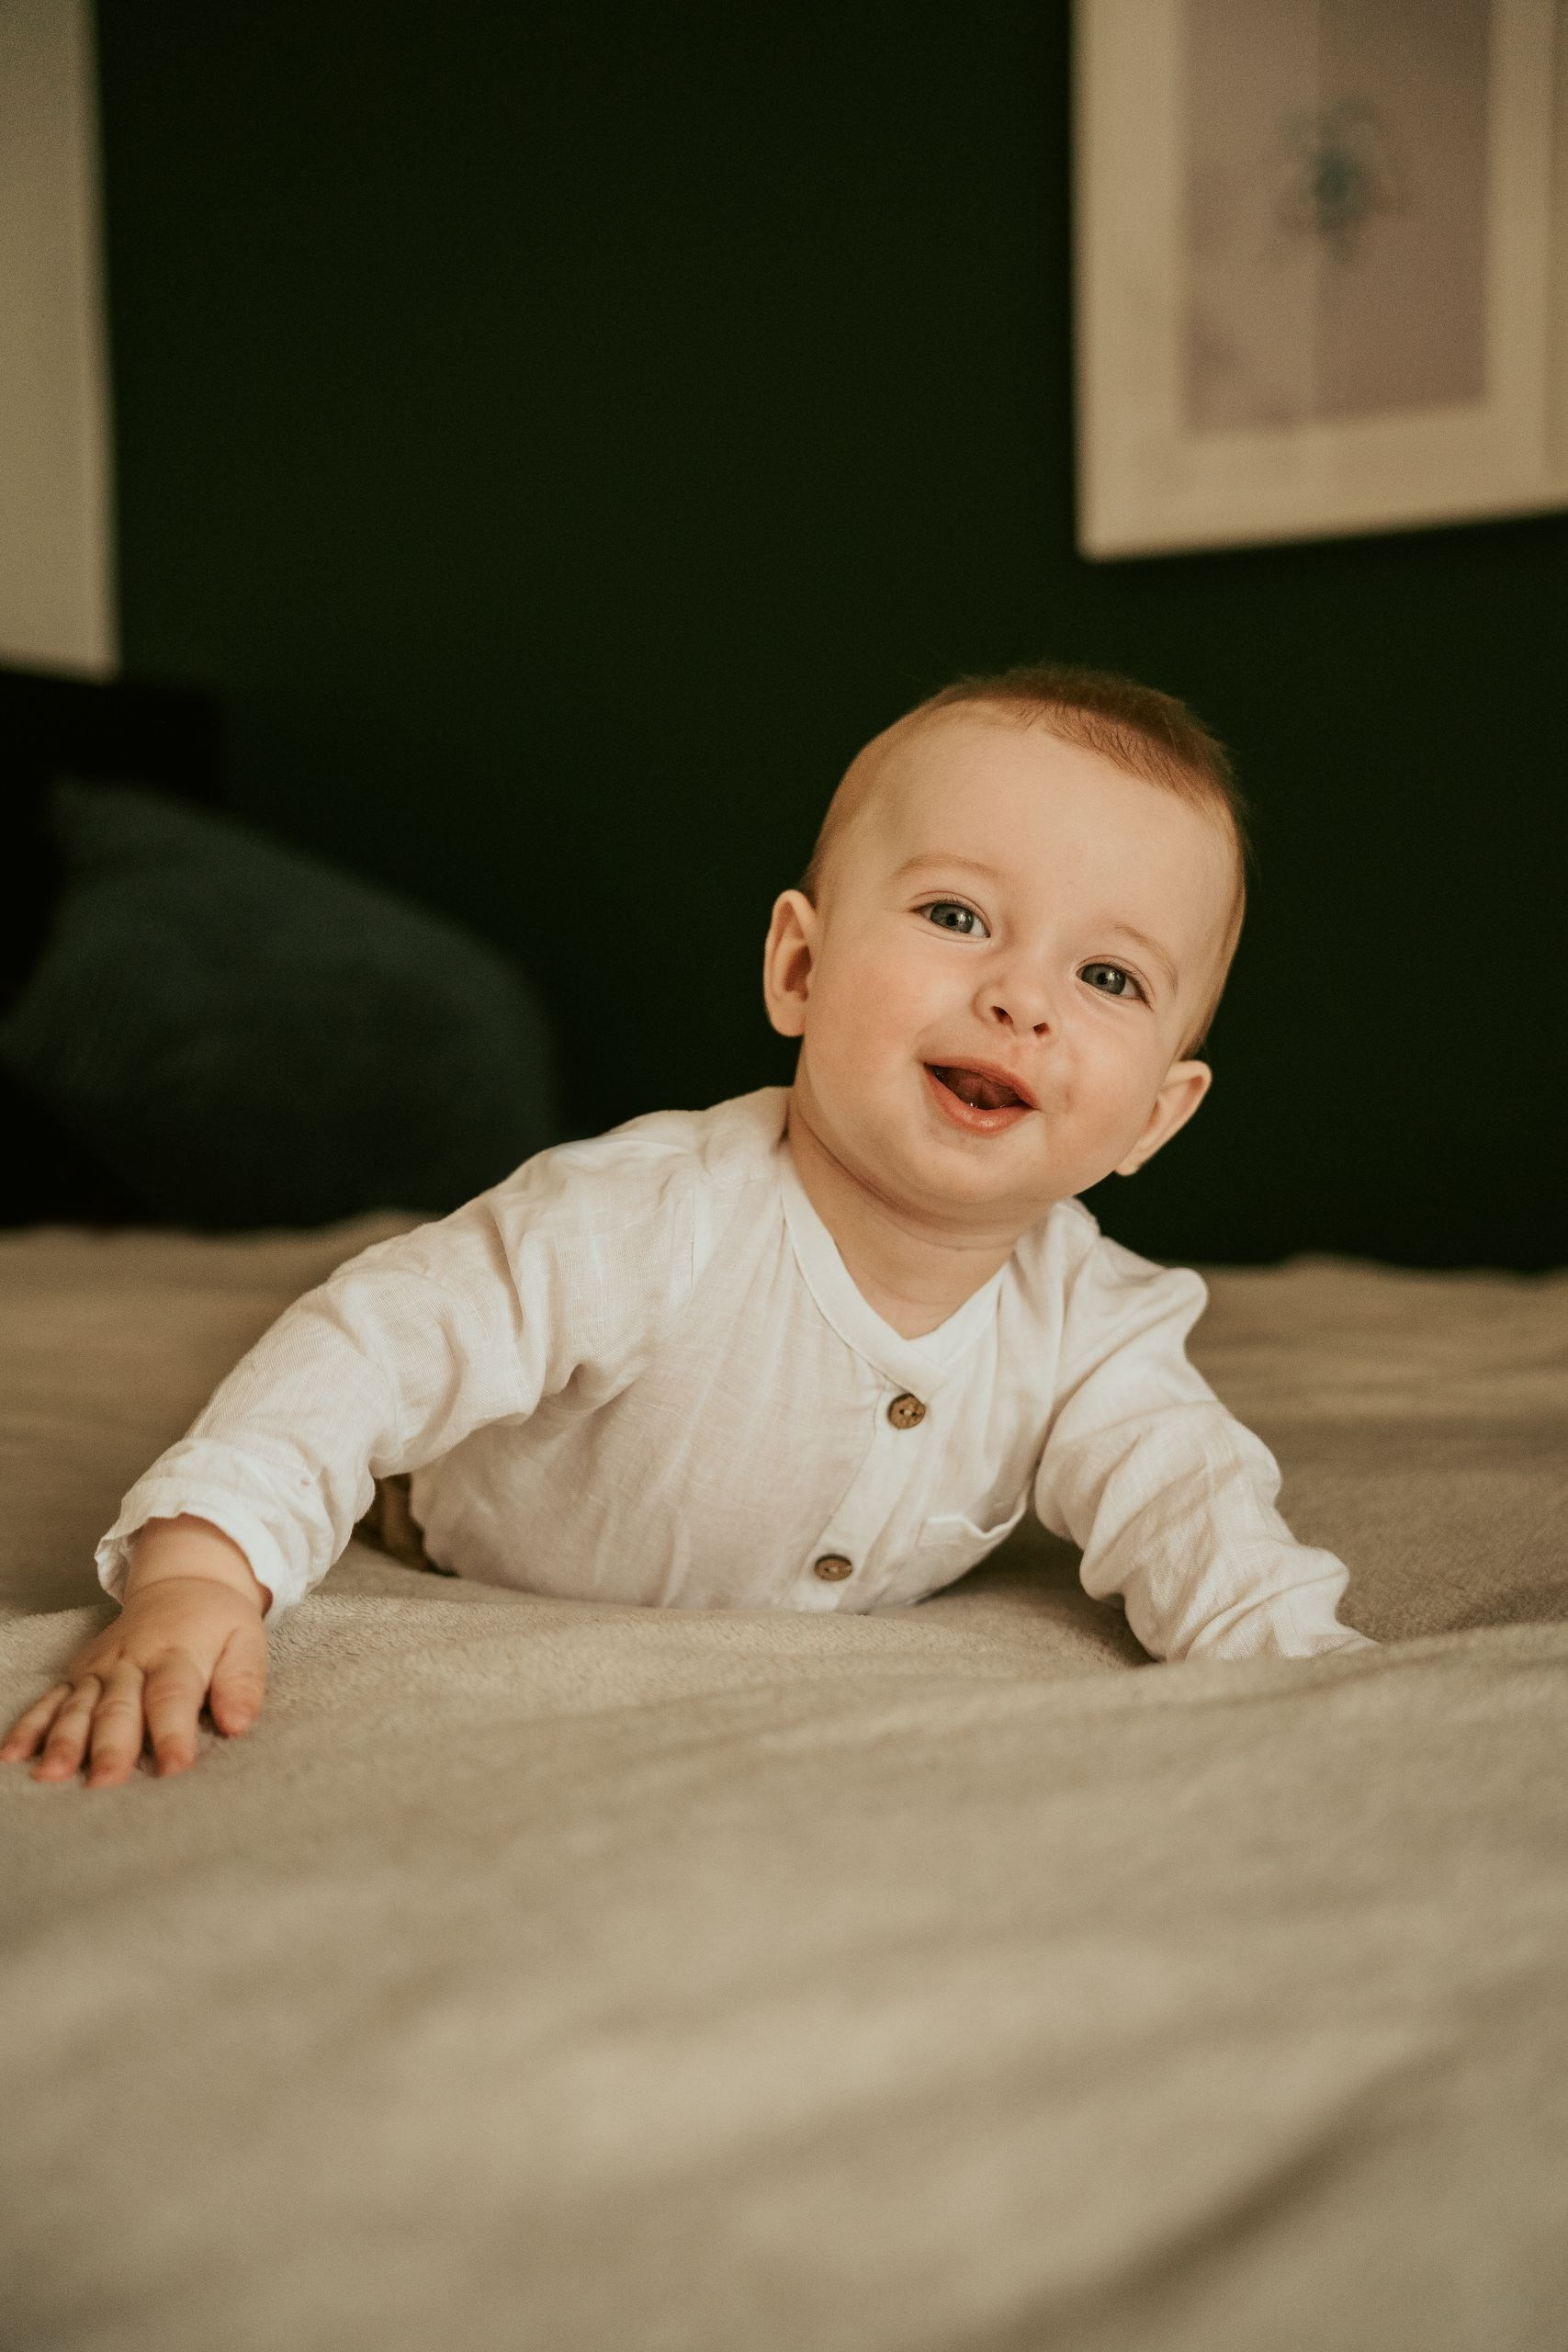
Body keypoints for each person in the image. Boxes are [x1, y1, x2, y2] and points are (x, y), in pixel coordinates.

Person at [2, 661, 1375, 1791]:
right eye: (958, 914)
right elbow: (370, 1344)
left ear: (1156, 1118)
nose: (1024, 998)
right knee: (437, 1326)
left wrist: (1321, 1689)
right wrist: (198, 1575)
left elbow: (1200, 1517)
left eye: (1110, 978)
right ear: (801, 965)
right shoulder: (645, 1218)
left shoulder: (1099, 1330)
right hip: (460, 1520)